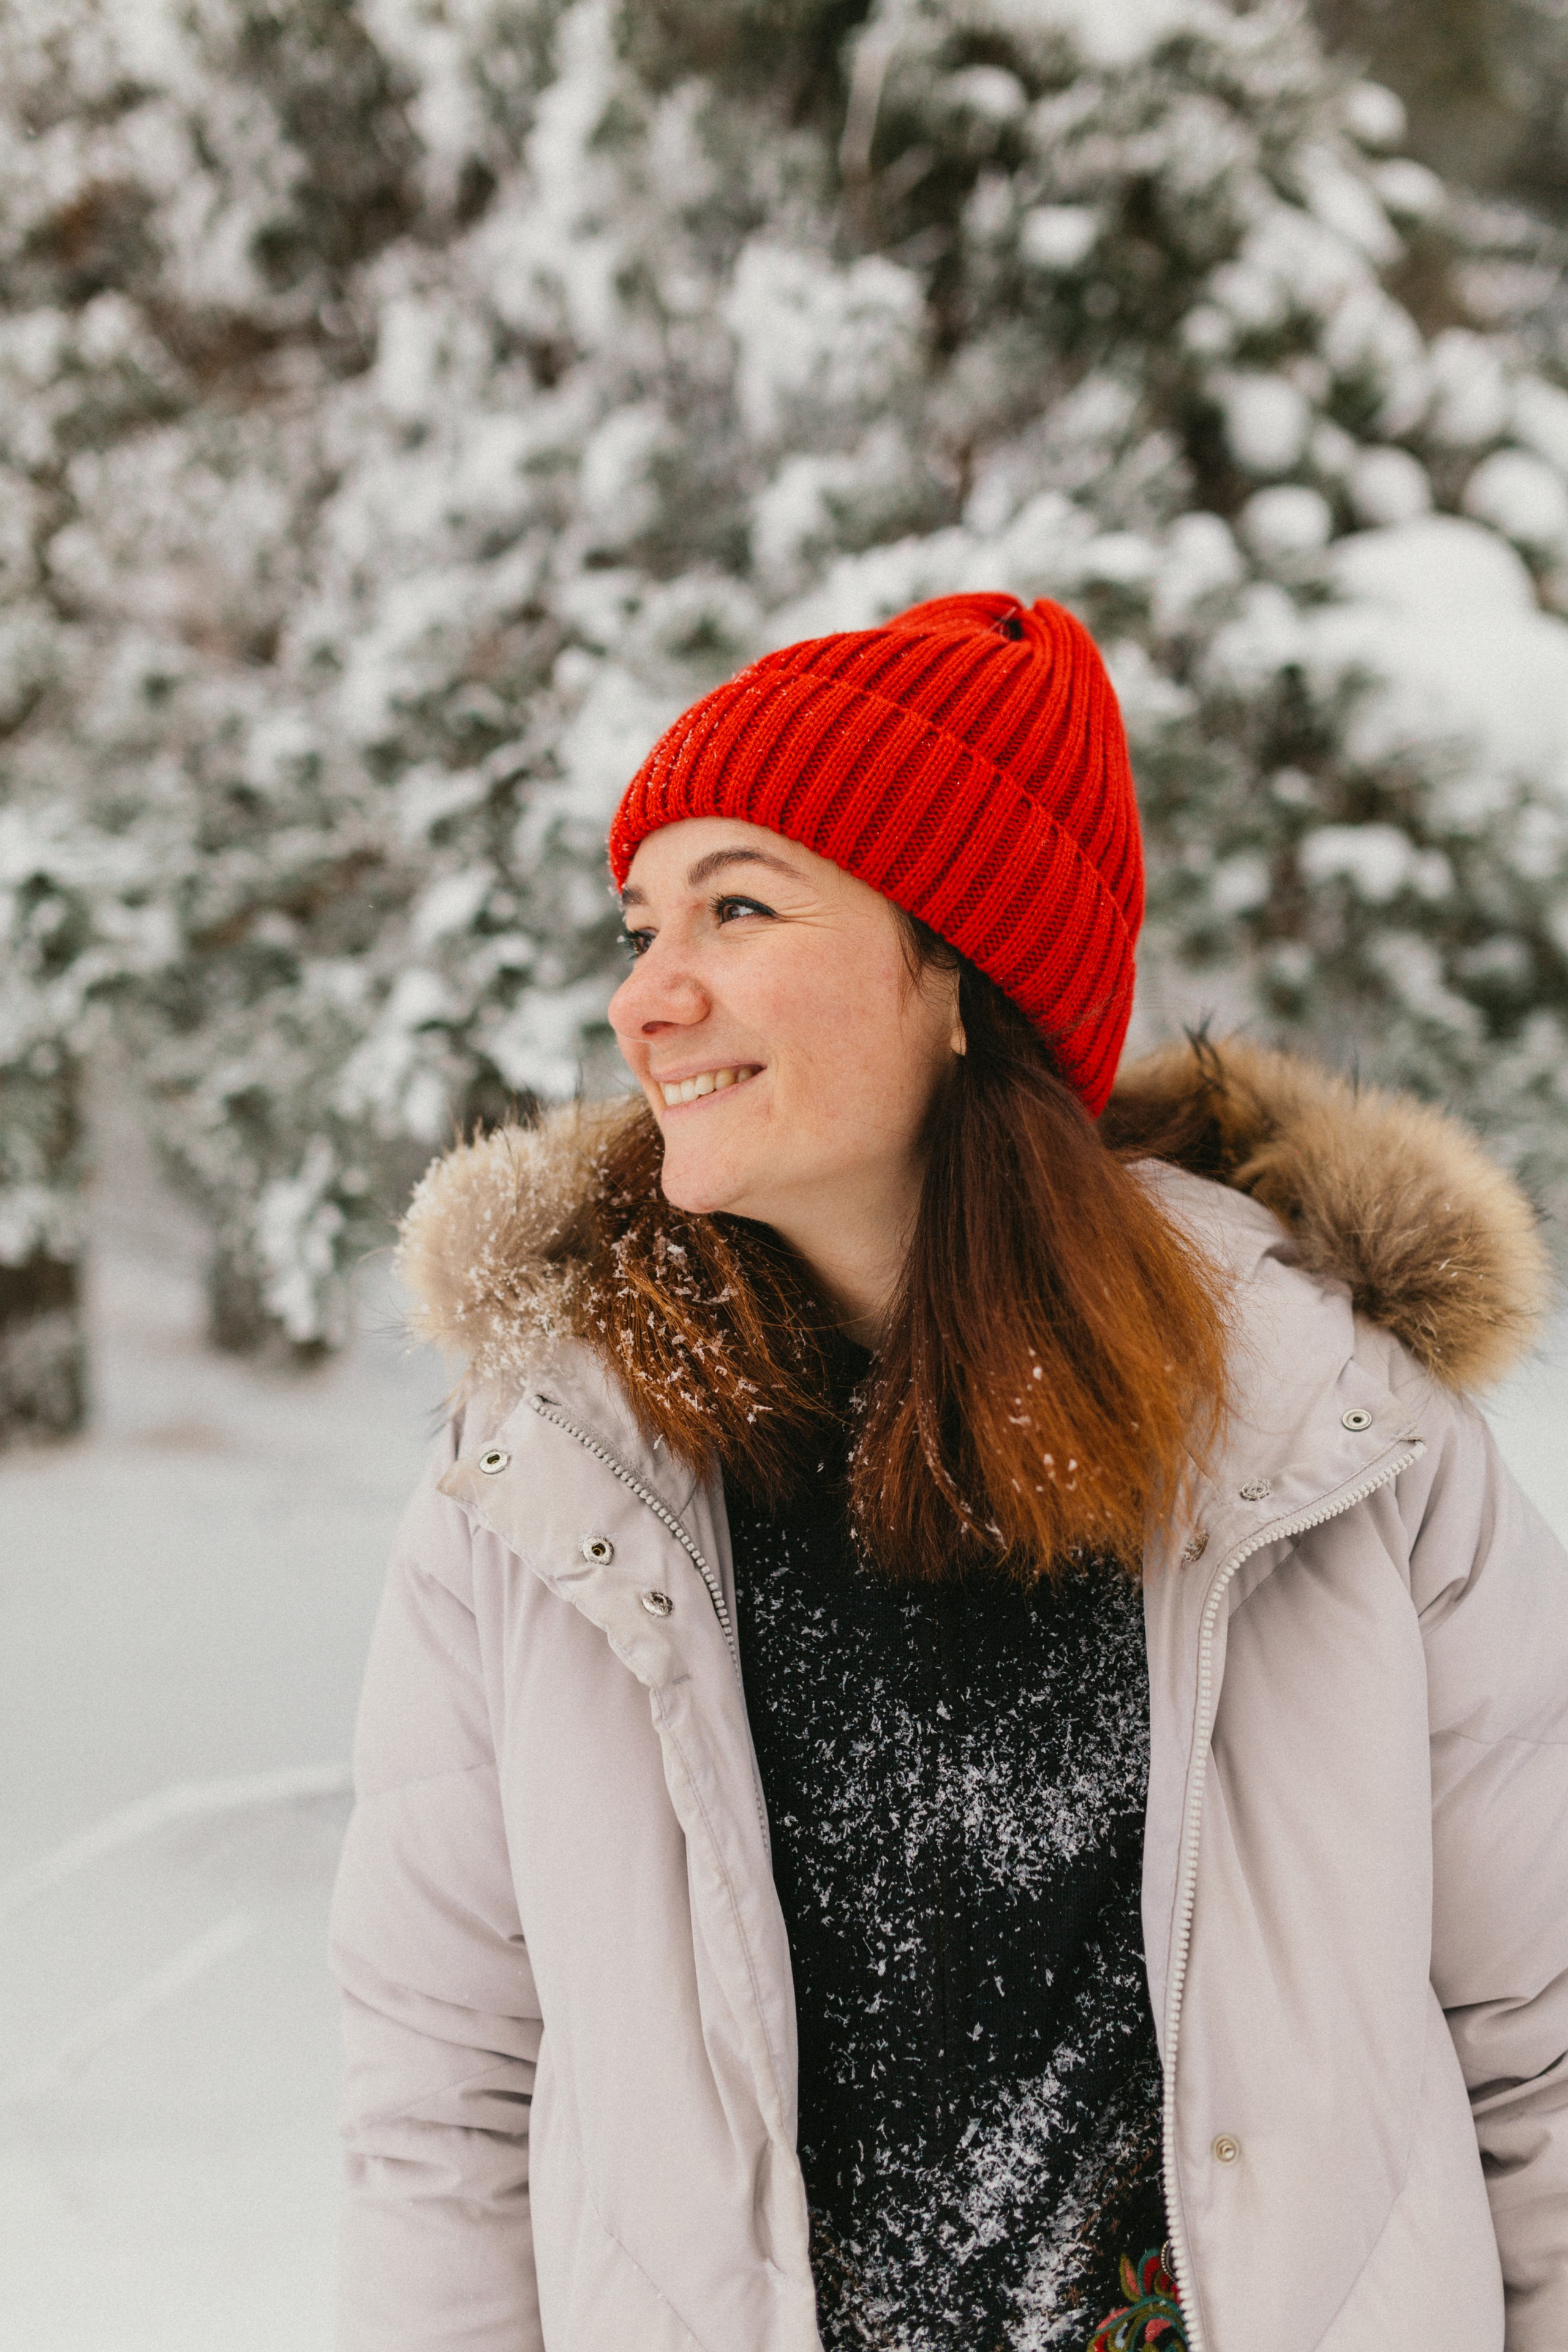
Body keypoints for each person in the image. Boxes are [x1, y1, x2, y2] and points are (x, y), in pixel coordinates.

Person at [329, 592, 1568, 2352]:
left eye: (738, 907)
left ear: (963, 975)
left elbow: (1544, 2049)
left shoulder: (1331, 1435)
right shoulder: (551, 1468)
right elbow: (439, 2098)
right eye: (639, 925)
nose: (644, 997)